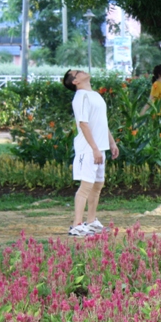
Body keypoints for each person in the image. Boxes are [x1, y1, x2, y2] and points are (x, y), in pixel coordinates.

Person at [62, 69, 119, 236]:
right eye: (78, 72)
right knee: (86, 186)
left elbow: (102, 122)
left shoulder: (94, 95)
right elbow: (83, 124)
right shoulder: (80, 97)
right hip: (88, 149)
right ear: (75, 81)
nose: (82, 71)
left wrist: (111, 142)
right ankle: (77, 225)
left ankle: (92, 222)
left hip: (99, 147)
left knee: (97, 185)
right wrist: (94, 149)